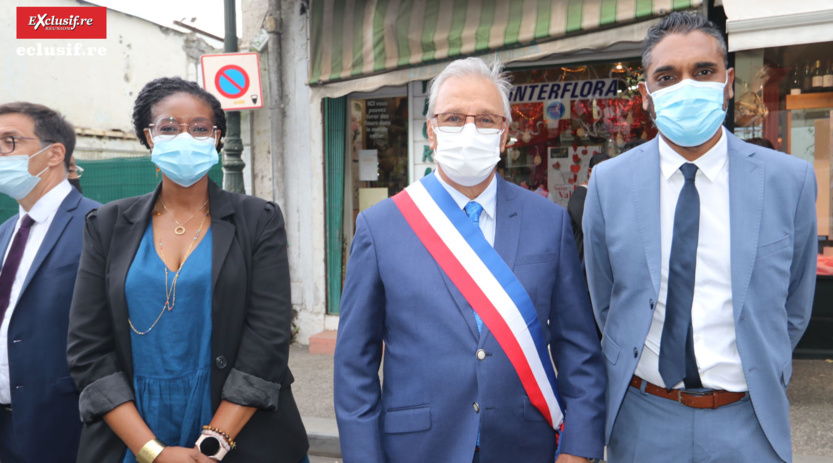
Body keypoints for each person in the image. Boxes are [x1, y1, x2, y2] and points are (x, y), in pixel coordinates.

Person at [334, 57, 605, 463]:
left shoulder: (549, 221)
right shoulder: (380, 226)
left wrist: (579, 449)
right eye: (454, 117)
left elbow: (578, 349)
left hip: (526, 446)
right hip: (419, 448)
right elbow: (355, 363)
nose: (469, 129)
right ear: (432, 130)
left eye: (485, 119)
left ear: (504, 134)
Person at [583, 12, 817, 463]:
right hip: (643, 417)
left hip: (749, 421)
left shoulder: (790, 181)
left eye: (703, 72)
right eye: (667, 76)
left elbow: (795, 306)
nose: (686, 86)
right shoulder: (609, 184)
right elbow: (607, 302)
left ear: (728, 82)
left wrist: (765, 368)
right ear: (647, 95)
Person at [67, 77, 309, 463]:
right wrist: (154, 453)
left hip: (238, 427)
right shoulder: (107, 224)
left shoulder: (257, 219)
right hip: (132, 431)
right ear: (148, 137)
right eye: (168, 127)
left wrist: (214, 443)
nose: (185, 137)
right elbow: (87, 348)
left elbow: (268, 338)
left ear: (216, 138)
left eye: (199, 128)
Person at [0, 102, 100, 463]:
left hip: (65, 425)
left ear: (54, 153)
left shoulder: (98, 224)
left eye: (8, 141)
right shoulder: (6, 232)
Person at [567, 153, 609, 265]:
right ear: (590, 172)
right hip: (582, 263)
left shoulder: (595, 194)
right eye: (602, 170)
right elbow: (590, 228)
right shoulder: (580, 196)